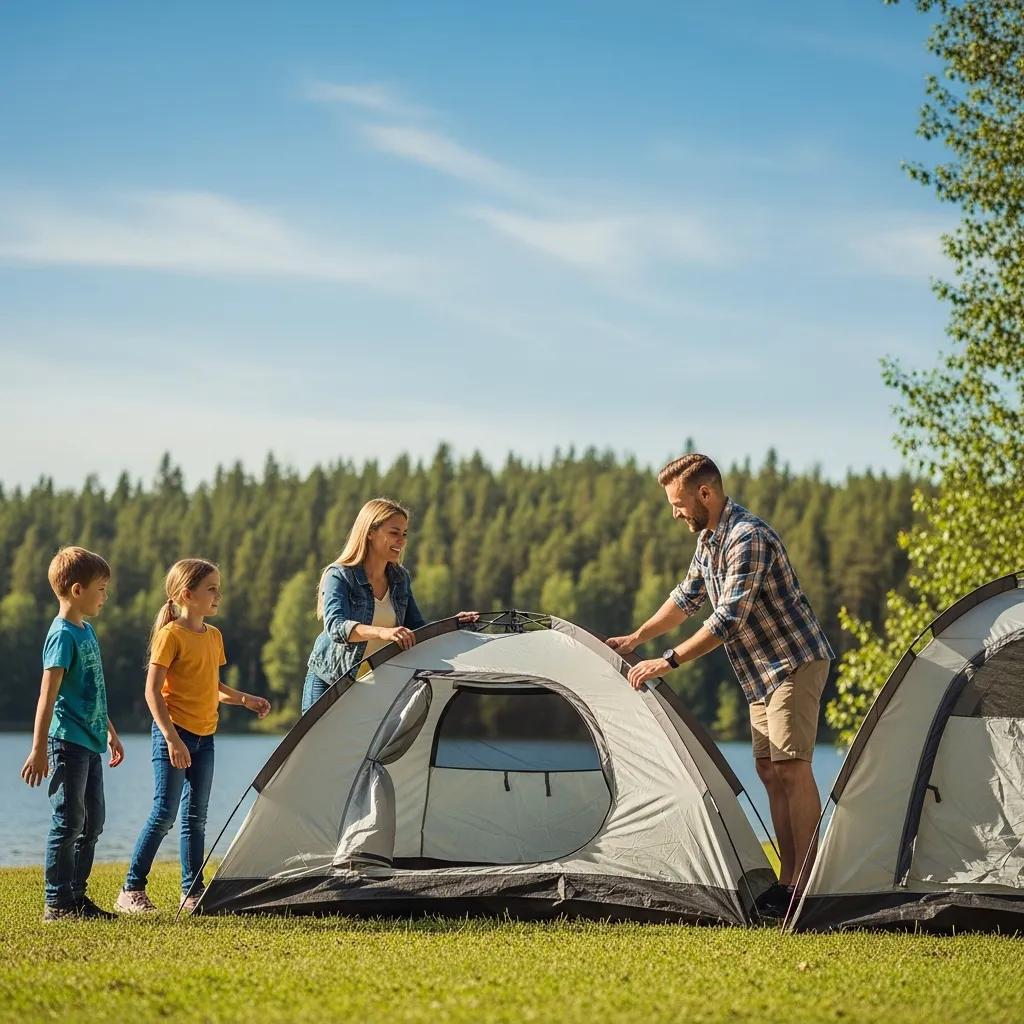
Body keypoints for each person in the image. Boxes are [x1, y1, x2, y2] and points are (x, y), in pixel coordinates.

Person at [607, 453, 834, 916]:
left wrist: (668, 660)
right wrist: (637, 637)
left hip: (793, 662)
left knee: (792, 768)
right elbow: (684, 599)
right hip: (758, 673)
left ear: (705, 494)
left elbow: (728, 619)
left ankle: (809, 888)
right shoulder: (709, 541)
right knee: (770, 773)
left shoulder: (748, 537)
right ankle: (787, 882)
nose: (675, 513)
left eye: (678, 503)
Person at [115, 558, 270, 914]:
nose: (219, 595)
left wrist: (245, 699)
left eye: (218, 588)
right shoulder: (170, 636)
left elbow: (210, 686)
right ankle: (131, 889)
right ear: (187, 594)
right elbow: (152, 693)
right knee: (165, 812)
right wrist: (171, 739)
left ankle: (192, 892)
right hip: (175, 735)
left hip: (205, 737)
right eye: (211, 589)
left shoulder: (213, 636)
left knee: (195, 817)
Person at [20, 546, 125, 921]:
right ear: (77, 590)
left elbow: (94, 689)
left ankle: (77, 898)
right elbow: (46, 698)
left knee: (92, 821)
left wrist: (110, 731)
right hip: (67, 743)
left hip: (92, 741)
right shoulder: (62, 635)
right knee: (69, 820)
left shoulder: (87, 630)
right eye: (101, 588)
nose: (105, 596)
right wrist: (38, 749)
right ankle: (57, 902)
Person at [302, 497, 478, 713]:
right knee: (318, 746)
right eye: (394, 533)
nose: (402, 541)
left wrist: (452, 625)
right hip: (330, 679)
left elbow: (416, 629)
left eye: (404, 534)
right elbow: (337, 628)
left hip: (375, 683)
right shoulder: (339, 575)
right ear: (370, 532)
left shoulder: (399, 577)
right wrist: (383, 633)